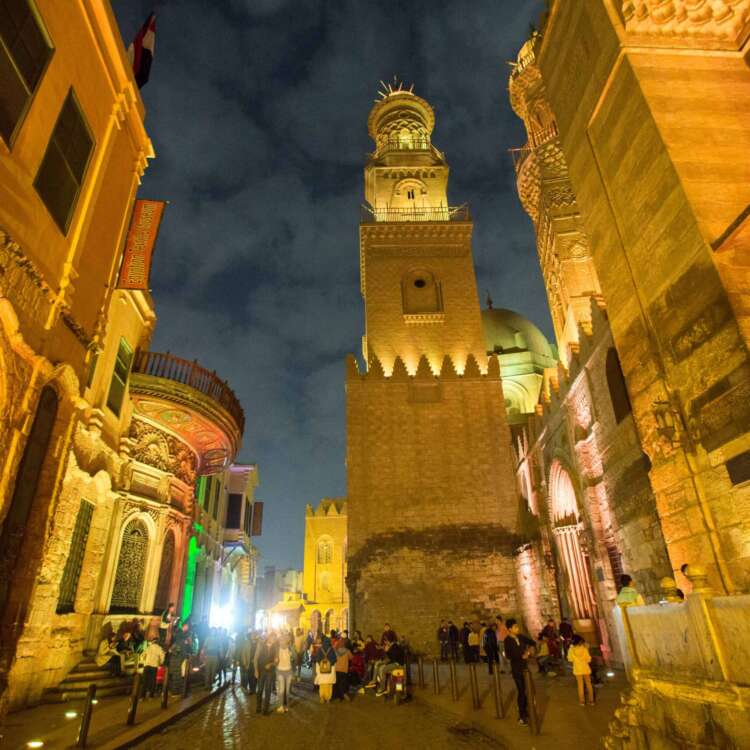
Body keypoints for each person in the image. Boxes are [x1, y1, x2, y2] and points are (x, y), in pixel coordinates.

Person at [504, 619, 534, 726]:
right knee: (521, 691)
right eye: (515, 627)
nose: (517, 628)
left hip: (525, 668)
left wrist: (529, 651)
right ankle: (521, 716)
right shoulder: (507, 640)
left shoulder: (521, 637)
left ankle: (525, 710)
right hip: (516, 669)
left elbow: (532, 642)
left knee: (526, 690)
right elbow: (508, 655)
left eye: (517, 626)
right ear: (510, 629)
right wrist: (521, 656)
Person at [254, 632, 279, 715]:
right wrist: (256, 671)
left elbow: (276, 661)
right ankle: (258, 707)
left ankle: (265, 709)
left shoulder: (275, 647)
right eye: (273, 638)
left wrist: (272, 664)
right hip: (261, 671)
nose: (274, 640)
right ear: (269, 637)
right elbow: (255, 659)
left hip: (270, 672)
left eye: (275, 639)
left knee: (268, 690)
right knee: (260, 690)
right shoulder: (261, 645)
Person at [568, 634, 595, 706]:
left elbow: (570, 659)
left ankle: (582, 702)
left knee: (580, 685)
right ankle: (591, 701)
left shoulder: (571, 650)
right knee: (589, 684)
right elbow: (589, 659)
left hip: (577, 670)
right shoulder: (584, 649)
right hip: (585, 668)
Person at [275, 633, 296, 713]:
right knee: (281, 690)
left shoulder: (290, 648)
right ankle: (281, 706)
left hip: (289, 671)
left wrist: (292, 655)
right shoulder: (277, 649)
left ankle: (286, 705)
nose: (281, 642)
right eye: (280, 640)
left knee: (287, 691)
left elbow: (295, 658)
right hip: (280, 671)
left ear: (286, 641)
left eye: (283, 640)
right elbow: (274, 659)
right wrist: (275, 661)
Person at [313, 636, 337, 703]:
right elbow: (334, 659)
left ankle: (322, 697)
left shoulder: (320, 649)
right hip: (330, 671)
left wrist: (322, 664)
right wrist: (329, 664)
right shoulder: (331, 649)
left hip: (322, 670)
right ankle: (328, 698)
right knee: (329, 684)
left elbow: (317, 659)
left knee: (322, 684)